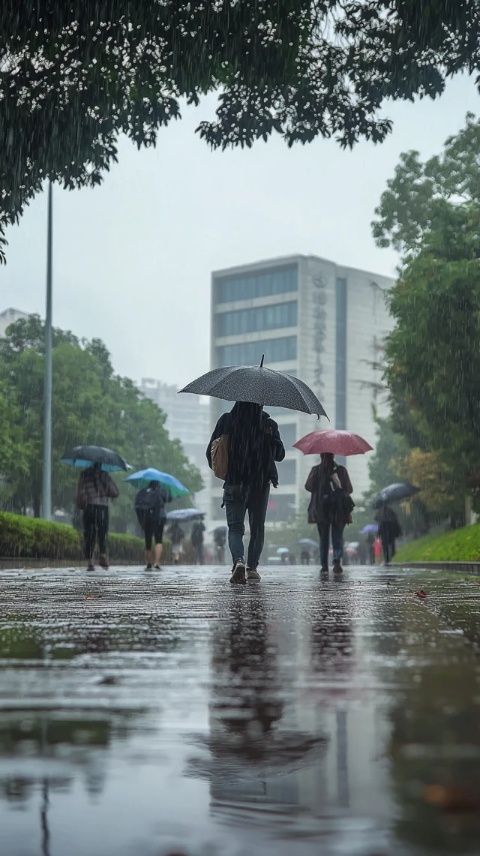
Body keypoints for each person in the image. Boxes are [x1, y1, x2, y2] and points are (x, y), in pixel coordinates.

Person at [206, 401, 285, 584]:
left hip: (234, 482)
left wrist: (227, 470)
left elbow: (211, 451)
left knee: (235, 528)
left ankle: (238, 561)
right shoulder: (268, 424)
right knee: (257, 528)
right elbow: (279, 455)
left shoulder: (227, 421)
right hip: (259, 484)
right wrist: (271, 439)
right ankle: (252, 568)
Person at [305, 452, 353, 573]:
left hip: (328, 510)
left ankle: (328, 564)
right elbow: (349, 489)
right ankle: (332, 562)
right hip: (333, 510)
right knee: (334, 538)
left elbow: (308, 486)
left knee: (326, 539)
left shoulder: (322, 470)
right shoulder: (335, 470)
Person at [76, 462, 119, 571]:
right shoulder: (105, 475)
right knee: (102, 532)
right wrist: (104, 486)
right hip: (102, 508)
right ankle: (103, 554)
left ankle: (90, 561)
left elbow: (80, 490)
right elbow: (115, 492)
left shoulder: (84, 474)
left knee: (89, 533)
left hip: (89, 507)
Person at [134, 480, 172, 569]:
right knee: (158, 540)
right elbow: (169, 499)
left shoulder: (143, 492)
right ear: (158, 485)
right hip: (159, 517)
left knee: (148, 540)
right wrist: (168, 488)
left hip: (147, 518)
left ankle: (148, 562)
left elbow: (138, 505)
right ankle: (157, 562)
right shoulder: (161, 491)